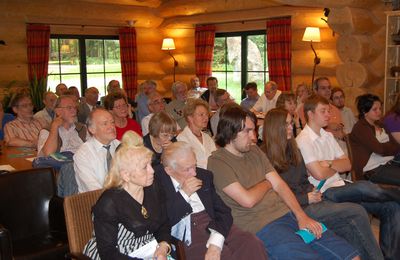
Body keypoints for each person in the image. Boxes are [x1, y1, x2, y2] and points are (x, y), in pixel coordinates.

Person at [207, 104, 359, 259]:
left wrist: (301, 216)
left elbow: (279, 184)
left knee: (349, 254)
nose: (254, 136)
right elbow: (248, 200)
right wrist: (267, 183)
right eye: (247, 131)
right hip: (261, 225)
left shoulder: (254, 151)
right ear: (231, 132)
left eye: (253, 130)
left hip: (287, 214)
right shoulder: (218, 162)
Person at [262, 108, 383, 260]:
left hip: (313, 200)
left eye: (291, 123)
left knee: (349, 226)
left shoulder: (293, 149)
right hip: (295, 209)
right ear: (275, 127)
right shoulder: (265, 156)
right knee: (357, 211)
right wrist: (306, 198)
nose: (290, 128)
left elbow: (303, 181)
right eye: (286, 124)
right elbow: (274, 195)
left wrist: (312, 190)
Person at [296, 95, 400, 259]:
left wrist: (328, 163)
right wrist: (333, 165)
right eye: (323, 111)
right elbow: (319, 174)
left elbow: (348, 164)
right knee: (363, 186)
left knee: (392, 208)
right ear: (310, 114)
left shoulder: (327, 136)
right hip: (324, 192)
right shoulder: (303, 140)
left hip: (341, 186)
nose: (328, 115)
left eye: (328, 111)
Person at [155, 142, 267, 260]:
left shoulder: (204, 176)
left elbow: (224, 211)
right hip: (188, 231)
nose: (194, 173)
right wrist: (184, 194)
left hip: (213, 223)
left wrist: (216, 242)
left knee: (251, 243)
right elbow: (162, 221)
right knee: (224, 256)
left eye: (194, 165)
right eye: (187, 169)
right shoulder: (156, 183)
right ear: (169, 170)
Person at [83, 138, 172, 260]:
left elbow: (163, 224)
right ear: (126, 175)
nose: (152, 171)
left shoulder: (153, 187)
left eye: (150, 165)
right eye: (144, 167)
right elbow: (107, 252)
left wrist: (163, 246)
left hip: (147, 249)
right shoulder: (109, 202)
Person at [350, 94, 400, 185]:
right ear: (364, 111)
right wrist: (387, 147)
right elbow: (379, 149)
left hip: (388, 164)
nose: (379, 112)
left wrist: (384, 148)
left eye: (380, 108)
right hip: (372, 169)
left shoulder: (380, 124)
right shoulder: (360, 127)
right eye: (375, 109)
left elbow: (396, 146)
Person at [74, 108, 121, 193]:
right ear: (92, 129)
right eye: (105, 124)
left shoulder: (122, 147)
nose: (111, 127)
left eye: (112, 122)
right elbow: (93, 190)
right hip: (95, 201)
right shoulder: (83, 155)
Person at [177, 99, 216, 169]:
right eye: (201, 115)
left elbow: (216, 159)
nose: (206, 118)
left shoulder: (207, 137)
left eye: (207, 114)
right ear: (190, 118)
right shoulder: (182, 139)